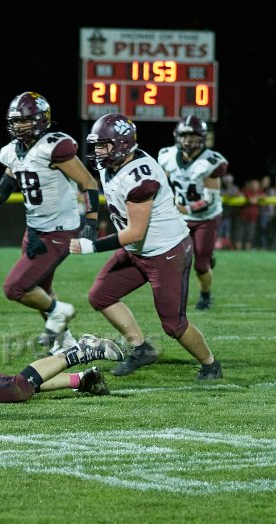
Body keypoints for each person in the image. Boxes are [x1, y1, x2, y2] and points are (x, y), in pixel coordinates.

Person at [70, 113, 223, 381]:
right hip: (137, 250)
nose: (98, 152)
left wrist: (91, 246)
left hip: (167, 252)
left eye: (104, 145)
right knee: (100, 296)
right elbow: (90, 185)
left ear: (122, 145)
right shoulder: (111, 164)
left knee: (173, 325)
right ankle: (141, 348)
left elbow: (135, 232)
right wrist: (91, 223)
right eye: (97, 145)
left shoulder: (140, 177)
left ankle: (211, 364)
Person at [0, 92, 101, 353]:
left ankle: (60, 311)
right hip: (35, 230)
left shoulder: (54, 146)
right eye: (16, 121)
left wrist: (91, 223)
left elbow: (88, 182)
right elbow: (11, 176)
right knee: (40, 290)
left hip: (59, 231)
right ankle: (67, 344)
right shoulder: (13, 151)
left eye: (24, 120)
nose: (19, 126)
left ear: (40, 120)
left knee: (15, 287)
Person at [156, 115, 229, 310]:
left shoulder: (211, 161)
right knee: (173, 258)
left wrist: (186, 208)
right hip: (179, 216)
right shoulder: (167, 155)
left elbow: (210, 199)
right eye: (184, 135)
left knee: (201, 264)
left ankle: (205, 295)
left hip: (206, 217)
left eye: (193, 135)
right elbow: (162, 184)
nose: (188, 140)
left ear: (202, 137)